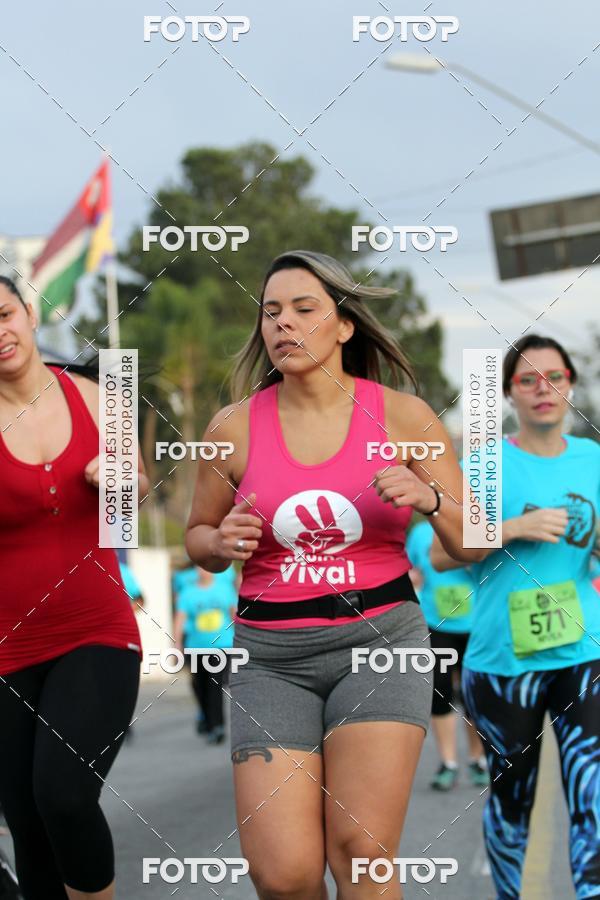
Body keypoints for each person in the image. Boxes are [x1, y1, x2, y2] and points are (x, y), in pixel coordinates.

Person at [185, 250, 484, 899]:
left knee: (363, 852)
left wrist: (430, 499)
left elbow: (472, 543)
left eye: (303, 309)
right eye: (270, 312)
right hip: (268, 656)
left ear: (345, 325)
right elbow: (196, 541)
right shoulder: (231, 429)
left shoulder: (406, 418)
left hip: (381, 642)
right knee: (284, 875)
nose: (283, 324)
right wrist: (220, 537)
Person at [432, 334, 600, 900]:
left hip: (585, 651)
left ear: (571, 384)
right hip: (504, 659)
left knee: (593, 793)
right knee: (512, 800)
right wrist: (513, 529)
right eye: (528, 379)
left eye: (554, 376)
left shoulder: (594, 459)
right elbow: (438, 553)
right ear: (509, 394)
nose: (543, 389)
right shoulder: (482, 463)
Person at [0, 276, 148, 900]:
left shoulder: (104, 394)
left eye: (4, 314)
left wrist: (120, 479)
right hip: (6, 649)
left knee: (62, 795)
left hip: (97, 630)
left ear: (29, 313)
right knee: (28, 825)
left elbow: (129, 505)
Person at [406, 520, 488, 790]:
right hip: (435, 623)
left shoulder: (476, 526)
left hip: (477, 623)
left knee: (474, 694)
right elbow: (414, 571)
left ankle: (478, 760)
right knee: (440, 693)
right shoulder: (420, 534)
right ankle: (448, 762)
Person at [173, 565, 237, 743]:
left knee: (214, 684)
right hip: (196, 647)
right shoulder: (188, 592)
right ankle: (206, 718)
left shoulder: (224, 589)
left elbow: (234, 614)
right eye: (200, 568)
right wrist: (177, 645)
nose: (204, 571)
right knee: (198, 685)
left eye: (207, 568)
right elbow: (180, 619)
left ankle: (217, 726)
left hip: (221, 646)